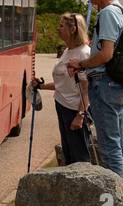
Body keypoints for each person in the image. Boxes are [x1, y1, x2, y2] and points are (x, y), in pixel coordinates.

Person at [67, 0, 123, 183]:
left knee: (108, 144)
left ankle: (117, 200)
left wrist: (82, 64)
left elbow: (106, 54)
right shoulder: (120, 9)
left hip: (105, 83)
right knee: (120, 142)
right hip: (116, 84)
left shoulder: (106, 13)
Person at [34, 13, 93, 165]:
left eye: (61, 25)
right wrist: (41, 86)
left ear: (73, 29)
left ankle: (84, 186)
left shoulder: (84, 53)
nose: (58, 28)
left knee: (79, 155)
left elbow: (86, 89)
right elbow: (63, 85)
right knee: (68, 153)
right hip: (62, 106)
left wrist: (80, 116)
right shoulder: (68, 51)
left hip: (74, 110)